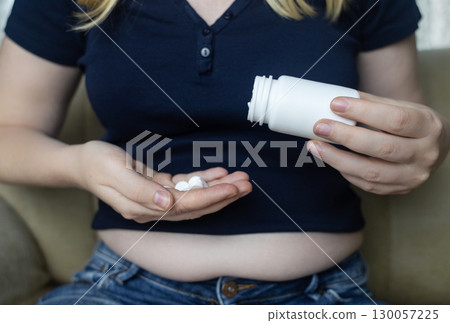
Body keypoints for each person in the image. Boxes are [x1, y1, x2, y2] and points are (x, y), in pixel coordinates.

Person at [0, 0, 448, 305]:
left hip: (323, 296)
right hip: (124, 291)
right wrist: (80, 163)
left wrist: (425, 148)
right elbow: (8, 133)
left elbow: (409, 133)